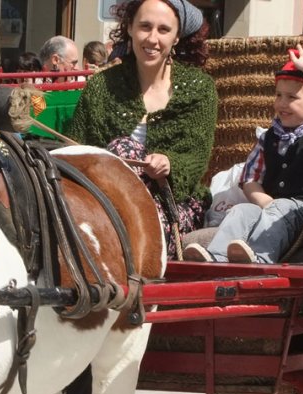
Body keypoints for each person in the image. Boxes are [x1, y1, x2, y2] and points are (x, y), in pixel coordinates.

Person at [66, 0, 218, 258]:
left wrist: (170, 163)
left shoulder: (199, 89)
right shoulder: (101, 86)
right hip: (103, 202)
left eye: (163, 29)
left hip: (172, 204)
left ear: (176, 37)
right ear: (129, 28)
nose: (152, 38)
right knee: (120, 149)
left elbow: (197, 157)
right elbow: (75, 148)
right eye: (145, 27)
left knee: (122, 147)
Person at [183, 42, 303, 264]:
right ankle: (216, 257)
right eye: (278, 95)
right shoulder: (269, 137)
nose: (282, 103)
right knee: (242, 211)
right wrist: (266, 202)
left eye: (292, 97)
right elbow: (250, 179)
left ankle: (260, 258)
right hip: (274, 210)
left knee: (283, 207)